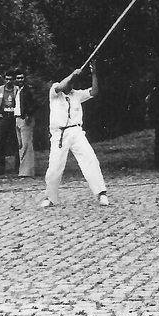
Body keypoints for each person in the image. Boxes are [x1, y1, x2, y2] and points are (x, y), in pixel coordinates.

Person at [40, 61, 108, 207]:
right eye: (70, 81)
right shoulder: (54, 92)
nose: (71, 85)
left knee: (90, 159)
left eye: (73, 82)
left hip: (76, 132)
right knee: (54, 166)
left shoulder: (76, 94)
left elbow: (94, 92)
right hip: (59, 134)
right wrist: (72, 74)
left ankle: (101, 193)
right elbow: (61, 86)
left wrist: (94, 74)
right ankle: (50, 197)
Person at [14, 69, 40, 178]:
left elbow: (36, 103)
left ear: (25, 78)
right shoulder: (17, 90)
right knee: (21, 145)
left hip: (25, 119)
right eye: (18, 78)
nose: (20, 80)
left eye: (22, 78)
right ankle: (23, 170)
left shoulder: (28, 90)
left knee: (26, 145)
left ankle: (27, 172)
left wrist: (29, 115)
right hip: (17, 119)